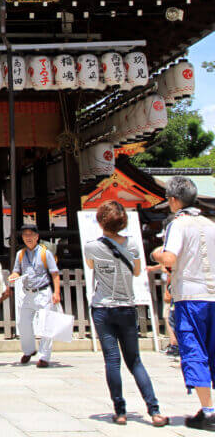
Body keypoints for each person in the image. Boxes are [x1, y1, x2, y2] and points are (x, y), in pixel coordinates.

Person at [84, 201, 167, 427]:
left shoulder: (92, 246)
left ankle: (120, 411)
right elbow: (138, 270)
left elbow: (91, 266)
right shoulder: (132, 245)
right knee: (135, 360)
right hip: (127, 306)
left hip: (102, 307)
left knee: (112, 361)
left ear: (101, 221)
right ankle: (154, 410)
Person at [152, 175, 215, 431]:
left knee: (194, 350)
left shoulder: (178, 225)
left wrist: (156, 252)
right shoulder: (210, 224)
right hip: (213, 293)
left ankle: (208, 410)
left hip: (191, 296)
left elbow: (169, 258)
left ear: (174, 200)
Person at [8, 224, 60, 367]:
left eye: (31, 235)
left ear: (37, 237)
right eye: (25, 235)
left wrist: (56, 292)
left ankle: (44, 356)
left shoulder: (45, 253)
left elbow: (55, 274)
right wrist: (13, 276)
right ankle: (29, 350)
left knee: (46, 324)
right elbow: (16, 271)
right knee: (23, 323)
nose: (28, 238)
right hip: (27, 293)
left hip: (43, 292)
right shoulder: (20, 254)